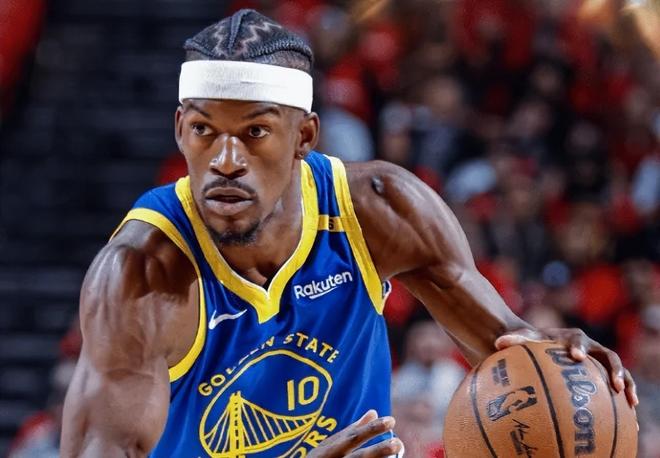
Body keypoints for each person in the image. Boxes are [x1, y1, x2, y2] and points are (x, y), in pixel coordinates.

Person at [60, 9, 637, 458]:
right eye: (204, 130)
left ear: (305, 136)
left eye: (255, 132)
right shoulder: (141, 273)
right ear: (179, 129)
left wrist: (561, 366)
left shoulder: (379, 209)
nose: (226, 160)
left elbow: (505, 345)